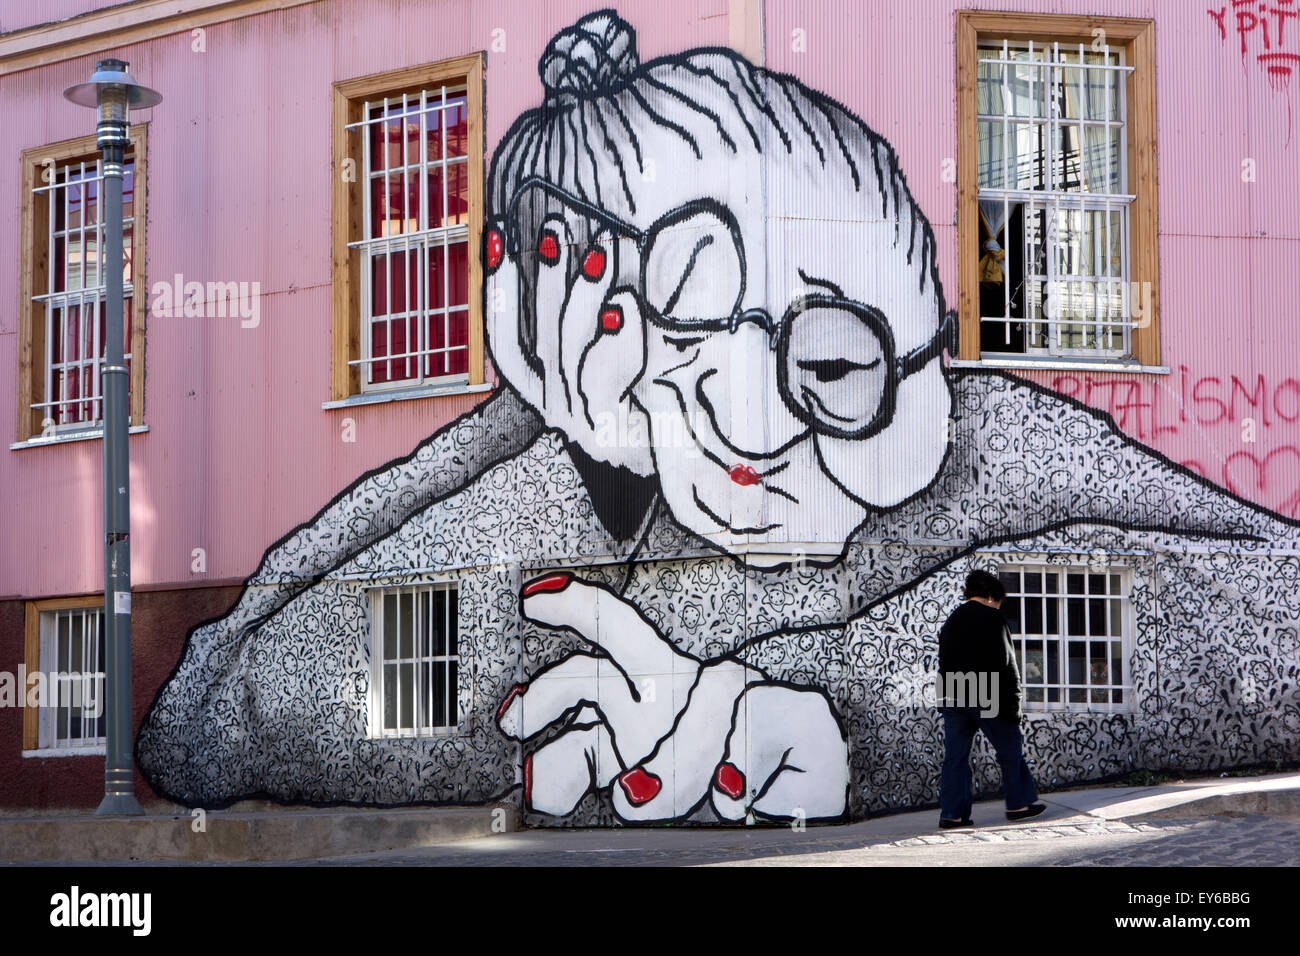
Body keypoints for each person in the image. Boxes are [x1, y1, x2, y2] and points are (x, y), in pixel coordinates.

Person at [936, 569, 1046, 828]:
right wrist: (1014, 702)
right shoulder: (993, 619)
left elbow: (944, 660)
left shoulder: (952, 620)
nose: (998, 605)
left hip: (952, 690)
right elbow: (1006, 664)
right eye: (998, 601)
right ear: (990, 596)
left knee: (956, 757)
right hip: (986, 691)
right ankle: (1018, 805)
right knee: (1009, 747)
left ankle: (952, 814)